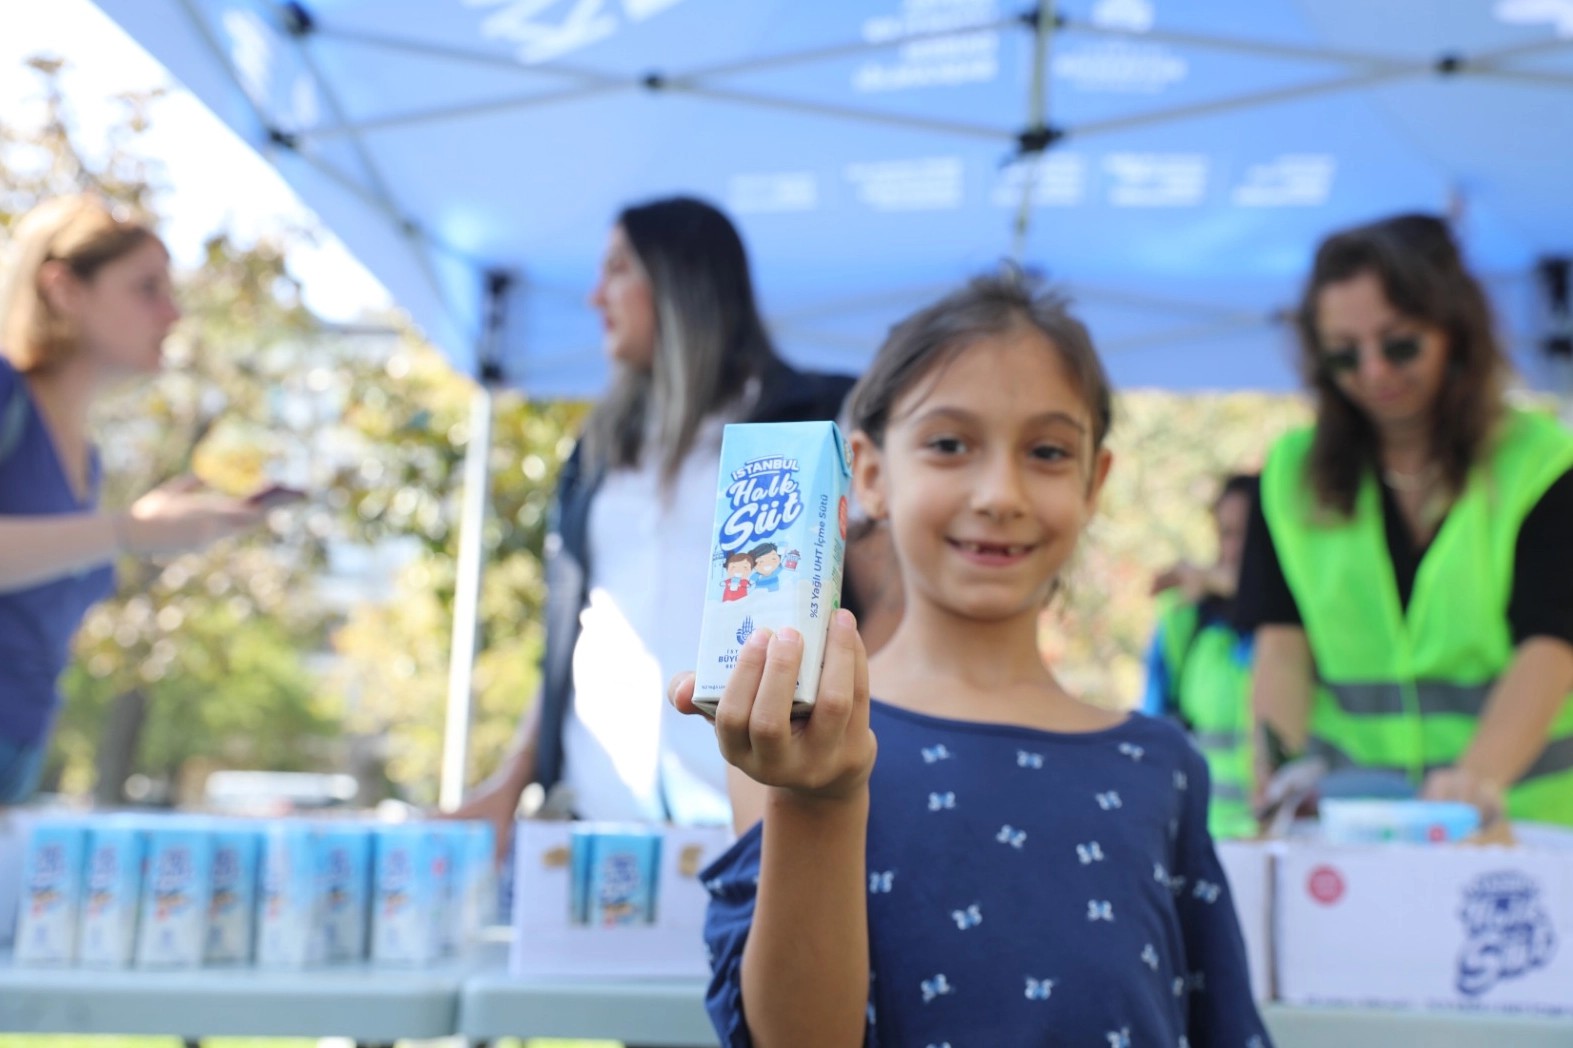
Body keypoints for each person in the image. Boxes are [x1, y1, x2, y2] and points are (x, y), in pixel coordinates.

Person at [670, 275, 1270, 1046]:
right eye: (949, 444)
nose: (999, 493)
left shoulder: (1158, 764)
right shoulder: (802, 732)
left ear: (1095, 484)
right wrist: (820, 797)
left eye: (1047, 452)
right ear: (871, 474)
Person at [452, 196, 858, 841]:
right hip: (598, 821)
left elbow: (882, 605)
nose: (594, 297)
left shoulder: (812, 417)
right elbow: (576, 624)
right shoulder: (597, 448)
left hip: (753, 821)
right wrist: (514, 776)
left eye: (617, 268)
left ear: (681, 280)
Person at [1238, 213, 1573, 826]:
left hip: (1527, 826)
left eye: (1400, 345)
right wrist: (1276, 781)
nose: (1374, 372)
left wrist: (1474, 784)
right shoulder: (1289, 473)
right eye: (1344, 355)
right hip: (1361, 826)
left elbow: (1552, 645)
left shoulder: (1544, 465)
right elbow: (1281, 647)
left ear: (1455, 331)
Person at [0, 195, 268, 804]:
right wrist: (128, 531)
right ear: (63, 288)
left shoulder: (85, 457)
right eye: (146, 288)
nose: (172, 314)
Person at [1142, 474, 1260, 839]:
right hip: (1208, 841)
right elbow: (1155, 726)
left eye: (1252, 534)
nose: (1236, 549)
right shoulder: (1187, 620)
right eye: (1226, 533)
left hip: (1298, 840)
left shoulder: (1313, 621)